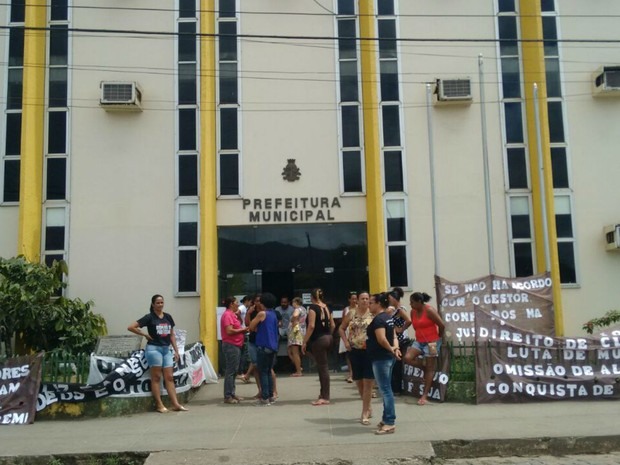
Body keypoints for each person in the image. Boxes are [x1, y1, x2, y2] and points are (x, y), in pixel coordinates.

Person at [127, 294, 188, 413]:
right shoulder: (149, 317)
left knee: (169, 377)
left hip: (166, 349)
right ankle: (159, 405)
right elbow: (131, 327)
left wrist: (176, 350)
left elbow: (172, 335)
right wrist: (144, 334)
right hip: (154, 349)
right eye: (158, 303)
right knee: (156, 377)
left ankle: (175, 404)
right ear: (153, 304)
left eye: (162, 302)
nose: (160, 305)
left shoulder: (168, 317)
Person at [367, 292, 400, 435]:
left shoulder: (380, 320)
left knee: (385, 390)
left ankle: (389, 422)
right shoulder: (388, 318)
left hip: (381, 358)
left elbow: (382, 339)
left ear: (379, 304)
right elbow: (393, 336)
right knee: (386, 389)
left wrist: (391, 349)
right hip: (386, 357)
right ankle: (386, 418)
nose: (369, 305)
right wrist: (395, 348)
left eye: (371, 302)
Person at [339, 291, 374, 425]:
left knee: (368, 381)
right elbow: (341, 328)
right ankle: (368, 405)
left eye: (367, 299)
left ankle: (364, 412)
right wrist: (346, 342)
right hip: (355, 350)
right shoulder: (351, 313)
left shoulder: (373, 314)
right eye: (362, 299)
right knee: (359, 381)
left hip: (369, 351)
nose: (365, 301)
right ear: (357, 300)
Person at [404, 291, 445, 406]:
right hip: (419, 341)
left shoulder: (429, 310)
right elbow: (415, 325)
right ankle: (423, 367)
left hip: (431, 342)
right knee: (407, 357)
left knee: (430, 368)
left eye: (412, 302)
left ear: (419, 302)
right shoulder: (413, 312)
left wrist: (438, 338)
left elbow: (441, 325)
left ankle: (424, 395)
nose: (410, 304)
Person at [302, 288, 335, 406]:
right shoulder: (327, 307)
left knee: (322, 367)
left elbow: (311, 326)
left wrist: (304, 341)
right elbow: (333, 325)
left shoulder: (313, 308)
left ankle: (325, 396)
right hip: (328, 337)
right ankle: (323, 393)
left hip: (318, 339)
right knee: (323, 366)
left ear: (312, 297)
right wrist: (329, 335)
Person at [249, 292, 279, 406]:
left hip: (263, 345)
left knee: (263, 372)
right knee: (268, 371)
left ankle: (265, 397)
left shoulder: (261, 314)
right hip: (272, 346)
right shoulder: (273, 314)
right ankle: (271, 395)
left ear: (263, 303)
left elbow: (251, 326)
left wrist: (251, 313)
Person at [220, 296, 249, 404]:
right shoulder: (227, 315)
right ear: (231, 304)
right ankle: (228, 396)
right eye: (236, 302)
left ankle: (232, 393)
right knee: (231, 371)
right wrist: (242, 330)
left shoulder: (232, 314)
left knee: (234, 370)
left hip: (236, 344)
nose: (238, 304)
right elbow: (229, 331)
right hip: (231, 345)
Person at [387, 287, 412, 395]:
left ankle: (397, 388)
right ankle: (394, 386)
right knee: (393, 364)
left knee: (397, 364)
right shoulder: (392, 310)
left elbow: (409, 320)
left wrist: (401, 329)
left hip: (400, 340)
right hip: (393, 339)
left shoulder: (400, 310)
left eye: (390, 298)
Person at [338, 292, 357, 383]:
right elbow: (343, 323)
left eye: (355, 298)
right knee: (347, 354)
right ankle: (351, 373)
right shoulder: (346, 310)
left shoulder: (360, 309)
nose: (354, 300)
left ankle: (356, 373)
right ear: (349, 300)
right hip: (347, 332)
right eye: (352, 298)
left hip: (357, 333)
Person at [287, 297, 307, 377]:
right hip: (301, 331)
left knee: (294, 352)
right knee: (292, 351)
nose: (292, 304)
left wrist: (292, 319)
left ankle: (298, 370)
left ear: (296, 302)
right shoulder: (304, 309)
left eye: (293, 302)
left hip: (296, 332)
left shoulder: (297, 309)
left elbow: (295, 315)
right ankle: (299, 367)